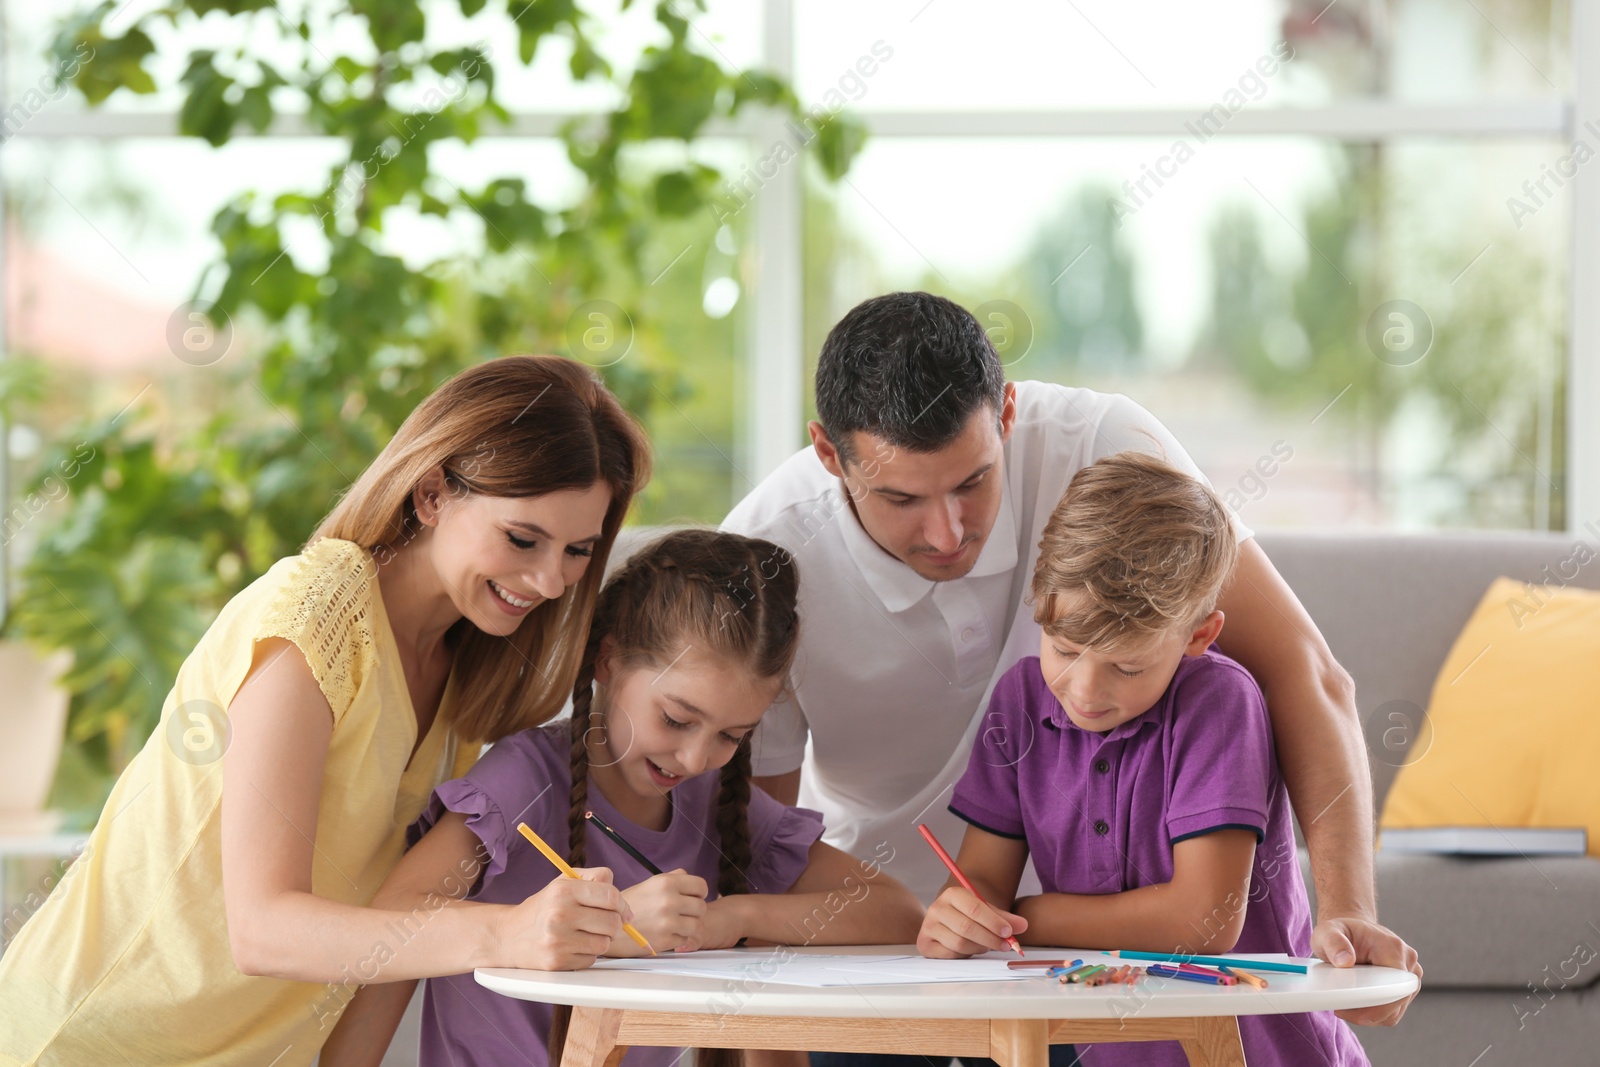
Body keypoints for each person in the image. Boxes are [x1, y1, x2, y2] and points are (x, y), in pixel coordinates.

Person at [722, 292, 1420, 1036]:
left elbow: (1305, 672)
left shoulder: (1106, 444)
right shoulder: (762, 559)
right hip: (893, 955)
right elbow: (761, 831)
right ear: (829, 455)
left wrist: (1348, 914)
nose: (948, 531)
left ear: (1007, 416)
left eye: (972, 481)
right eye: (901, 498)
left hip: (1089, 964)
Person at [0, 356, 652, 1067]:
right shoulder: (322, 609)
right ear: (432, 493)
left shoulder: (469, 676)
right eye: (523, 539)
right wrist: (507, 932)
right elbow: (263, 928)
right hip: (86, 1043)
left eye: (577, 550)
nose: (549, 579)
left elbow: (394, 934)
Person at [319, 529, 925, 1067]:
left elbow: (895, 910)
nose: (694, 760)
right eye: (677, 719)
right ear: (608, 658)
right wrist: (613, 927)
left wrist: (733, 918)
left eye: (731, 737)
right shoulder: (524, 778)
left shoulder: (717, 801)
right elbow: (394, 922)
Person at [919, 451, 1370, 1067]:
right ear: (1039, 603)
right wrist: (960, 918)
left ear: (1197, 637)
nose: (1084, 691)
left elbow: (1202, 922)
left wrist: (1029, 917)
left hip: (1260, 1050)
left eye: (1127, 667)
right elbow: (982, 884)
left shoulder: (1219, 702)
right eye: (1064, 648)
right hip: (1111, 1053)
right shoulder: (1019, 703)